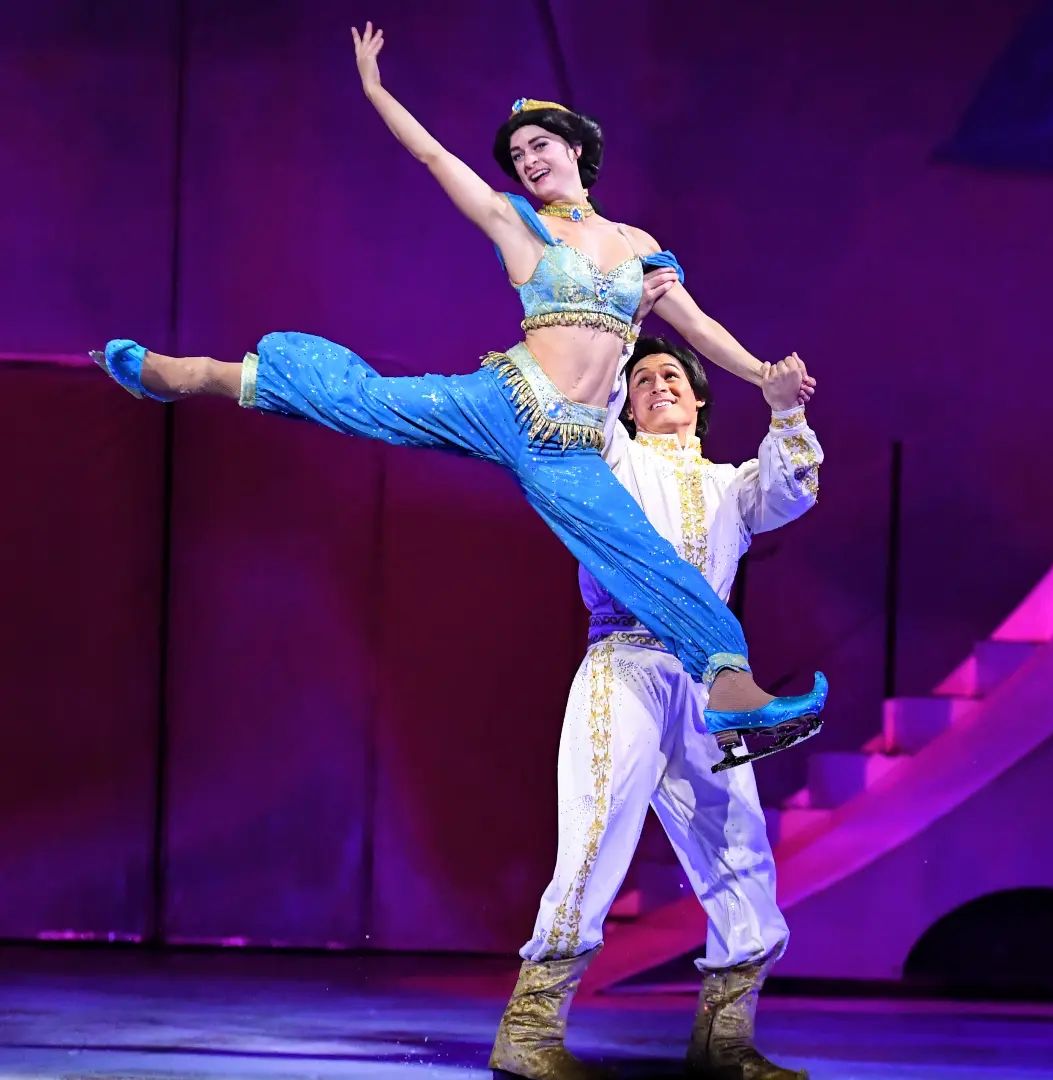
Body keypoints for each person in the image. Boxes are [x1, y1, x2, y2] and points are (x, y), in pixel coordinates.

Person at [91, 22, 827, 756]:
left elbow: (697, 326)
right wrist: (377, 90)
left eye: (540, 145)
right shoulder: (519, 225)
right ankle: (199, 374)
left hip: (568, 450)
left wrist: (767, 377)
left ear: (575, 149)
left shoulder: (639, 248)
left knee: (647, 556)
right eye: (517, 154)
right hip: (506, 401)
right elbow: (431, 154)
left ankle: (732, 693)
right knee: (368, 402)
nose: (529, 160)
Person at [490, 335, 820, 1080]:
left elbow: (793, 489)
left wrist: (783, 413)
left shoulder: (733, 485)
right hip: (626, 662)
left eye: (672, 375)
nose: (657, 385)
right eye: (643, 380)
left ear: (700, 400)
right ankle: (530, 1031)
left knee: (739, 845)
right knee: (596, 833)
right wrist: (617, 331)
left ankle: (723, 1044)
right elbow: (590, 407)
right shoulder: (615, 462)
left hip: (708, 681)